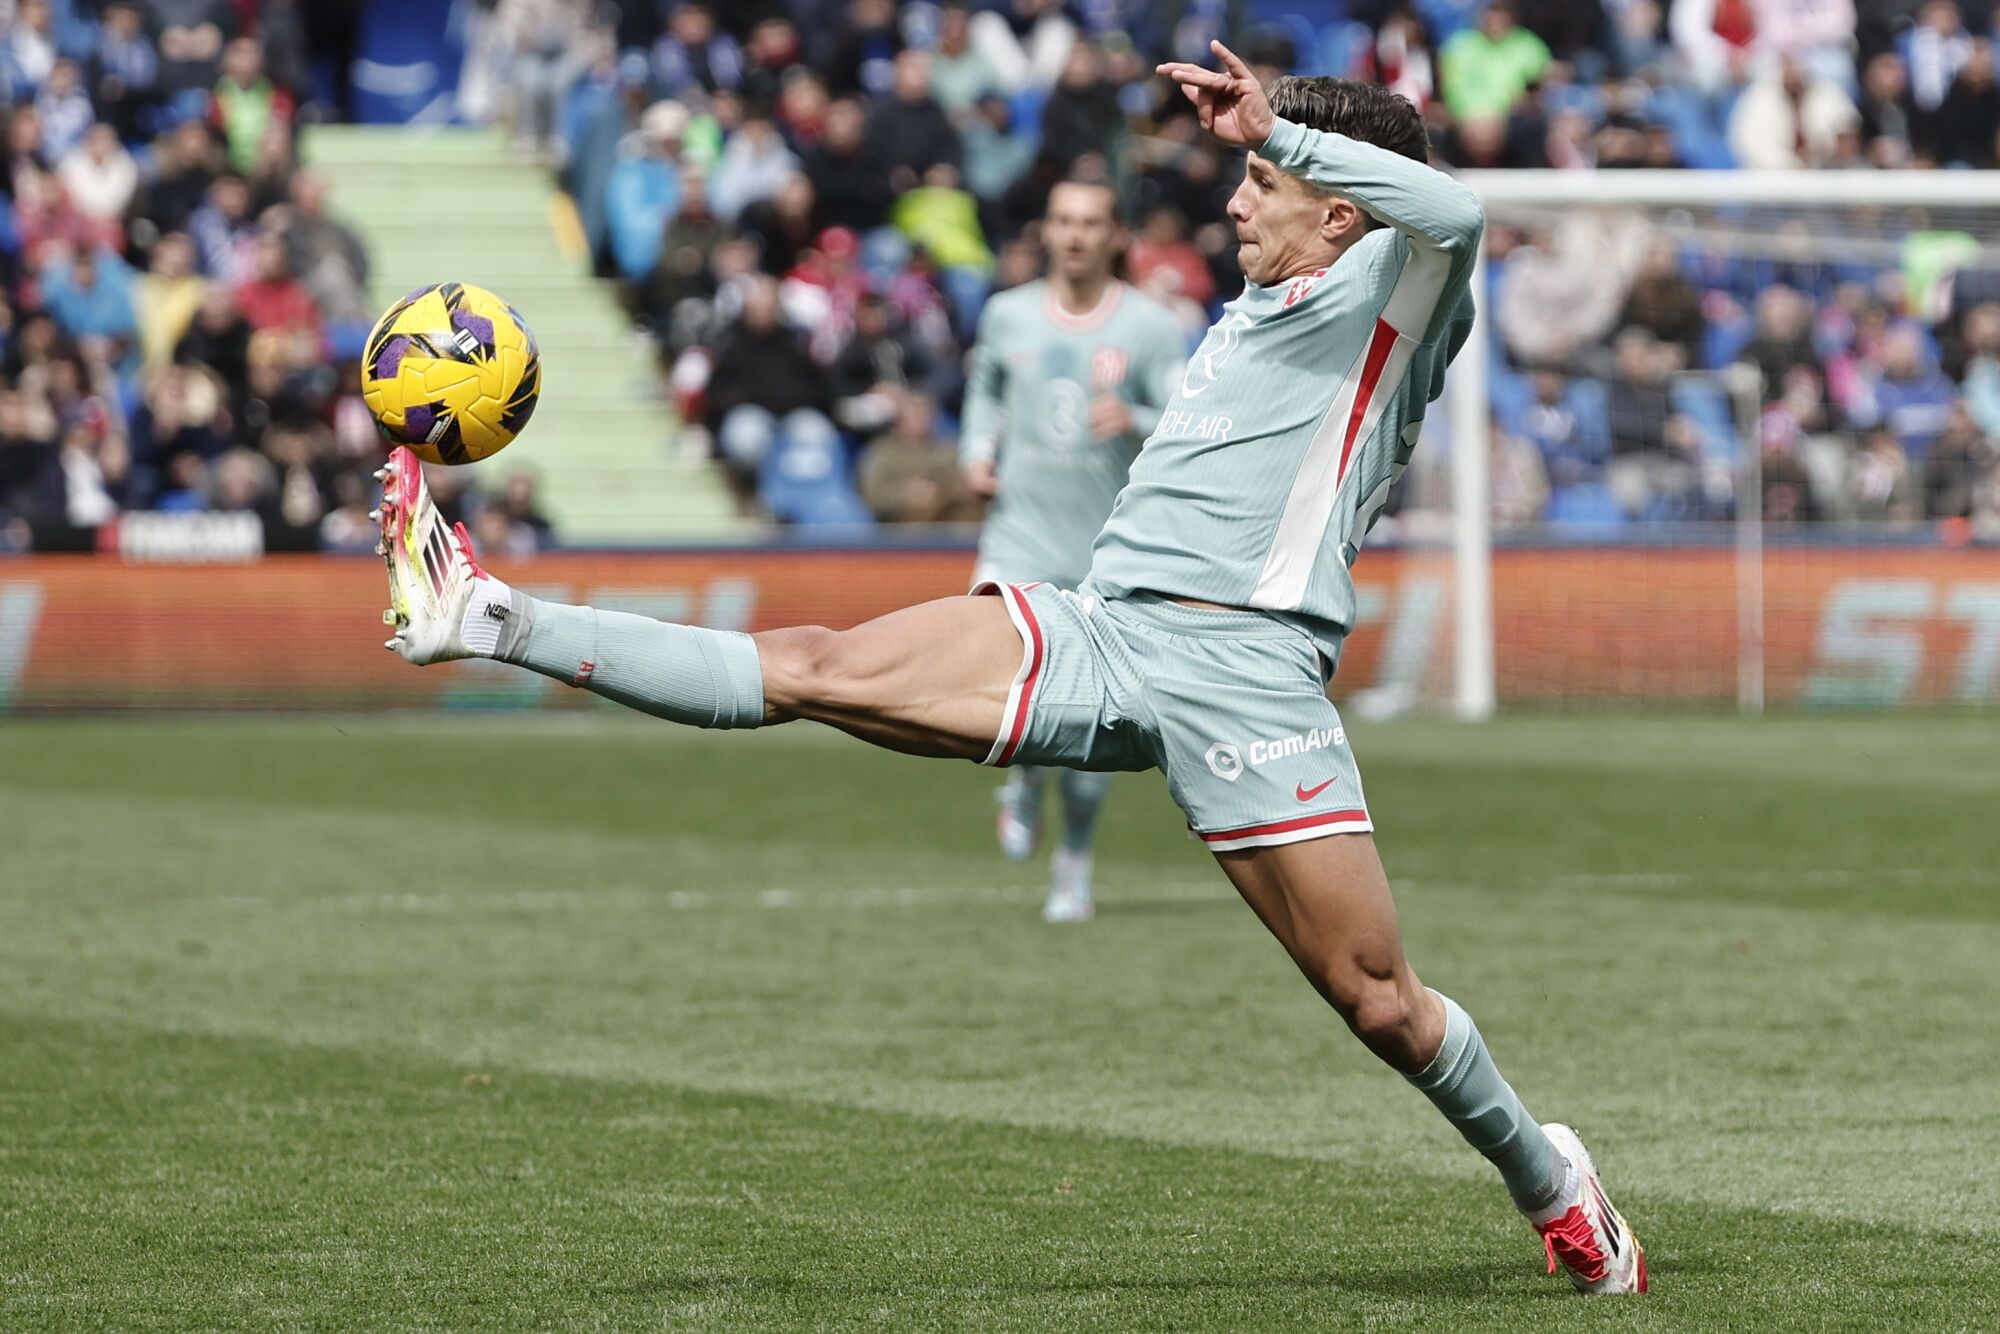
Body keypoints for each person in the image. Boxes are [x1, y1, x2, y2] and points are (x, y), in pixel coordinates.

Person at [374, 46, 1646, 1296]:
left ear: (1337, 204)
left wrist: (1280, 123)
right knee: (820, 667)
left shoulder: (1399, 289)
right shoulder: (1242, 309)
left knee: (1379, 1003)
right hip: (1097, 627)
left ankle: (1549, 1184)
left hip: (1246, 675)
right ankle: (485, 615)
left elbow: (1461, 205)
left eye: (1257, 179)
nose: (1232, 197)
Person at [958, 177, 1184, 922]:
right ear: (1046, 231)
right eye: (1063, 221)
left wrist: (1136, 414)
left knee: (1091, 721)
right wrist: (975, 451)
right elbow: (986, 390)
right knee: (998, 670)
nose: (1076, 234)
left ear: (1116, 235)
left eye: (1092, 221)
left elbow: (1186, 429)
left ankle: (1074, 867)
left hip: (1104, 552)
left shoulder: (1150, 327)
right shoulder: (1007, 314)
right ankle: (1022, 776)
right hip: (1017, 535)